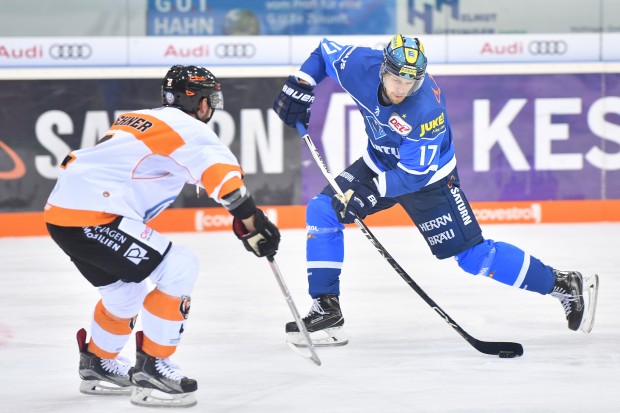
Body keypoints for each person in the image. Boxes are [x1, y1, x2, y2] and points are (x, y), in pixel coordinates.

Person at [272, 35, 599, 347]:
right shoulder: (360, 65)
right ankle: (327, 310)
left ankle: (563, 284)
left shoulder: (425, 109)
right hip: (380, 160)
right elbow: (323, 53)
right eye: (397, 79)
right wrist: (301, 84)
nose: (402, 89)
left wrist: (369, 193)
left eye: (410, 82)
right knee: (321, 209)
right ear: (383, 69)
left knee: (475, 258)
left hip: (431, 182)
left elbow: (413, 176)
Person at [45, 65, 280, 407]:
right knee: (180, 266)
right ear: (201, 103)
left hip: (62, 214)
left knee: (124, 292)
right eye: (211, 100)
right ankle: (153, 368)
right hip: (96, 215)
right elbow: (227, 183)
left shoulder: (137, 118)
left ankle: (98, 363)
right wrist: (253, 221)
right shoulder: (192, 130)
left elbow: (167, 164)